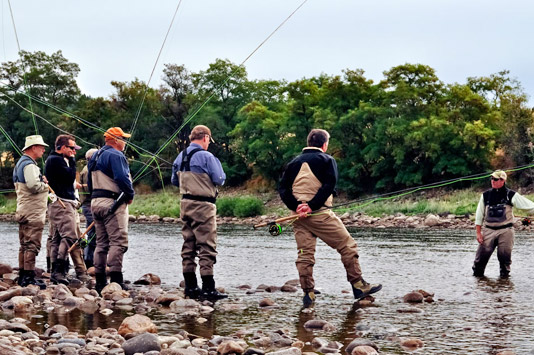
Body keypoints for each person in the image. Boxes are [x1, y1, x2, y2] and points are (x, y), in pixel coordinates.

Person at [279, 129, 382, 308]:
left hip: (298, 217)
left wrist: (296, 207)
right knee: (347, 246)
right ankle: (358, 286)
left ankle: (308, 293)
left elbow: (283, 189)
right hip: (320, 214)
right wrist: (311, 206)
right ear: (325, 144)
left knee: (305, 255)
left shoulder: (293, 163)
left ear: (308, 142)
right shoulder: (327, 160)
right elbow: (329, 185)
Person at [171, 125, 227, 301]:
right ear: (205, 138)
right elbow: (220, 179)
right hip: (203, 205)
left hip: (185, 204)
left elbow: (174, 180)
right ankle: (209, 288)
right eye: (209, 140)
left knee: (188, 244)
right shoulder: (207, 156)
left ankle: (190, 287)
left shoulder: (180, 156)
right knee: (206, 246)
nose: (209, 143)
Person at [88, 127, 135, 294]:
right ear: (115, 140)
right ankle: (116, 280)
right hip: (112, 203)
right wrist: (130, 194)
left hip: (95, 202)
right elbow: (122, 178)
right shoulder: (116, 155)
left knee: (101, 243)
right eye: (123, 138)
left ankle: (100, 281)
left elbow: (89, 182)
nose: (124, 142)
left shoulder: (95, 155)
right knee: (118, 242)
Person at [45, 134, 89, 285]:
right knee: (69, 236)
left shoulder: (58, 159)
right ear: (62, 147)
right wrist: (72, 161)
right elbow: (70, 177)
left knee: (57, 237)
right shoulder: (56, 160)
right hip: (61, 203)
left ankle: (57, 272)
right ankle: (58, 270)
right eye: (71, 148)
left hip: (62, 202)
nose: (74, 152)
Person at [472, 170, 534, 278]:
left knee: (504, 261)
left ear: (503, 180)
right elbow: (479, 216)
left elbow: (529, 206)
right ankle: (479, 287)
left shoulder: (511, 194)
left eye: (495, 179)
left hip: (506, 231)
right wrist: (478, 233)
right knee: (479, 262)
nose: (493, 181)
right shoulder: (485, 195)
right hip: (488, 230)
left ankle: (504, 287)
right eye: (492, 179)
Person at [13, 135, 49, 288]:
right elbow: (34, 185)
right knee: (32, 245)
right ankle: (28, 278)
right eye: (41, 147)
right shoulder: (30, 165)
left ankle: (22, 275)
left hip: (23, 210)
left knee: (24, 244)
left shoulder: (20, 163)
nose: (43, 149)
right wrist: (46, 185)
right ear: (33, 148)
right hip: (32, 212)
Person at [79, 148, 98, 268]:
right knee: (93, 234)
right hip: (89, 205)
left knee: (92, 233)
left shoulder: (89, 169)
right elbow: (90, 190)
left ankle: (90, 260)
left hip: (90, 205)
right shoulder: (88, 171)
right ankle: (89, 261)